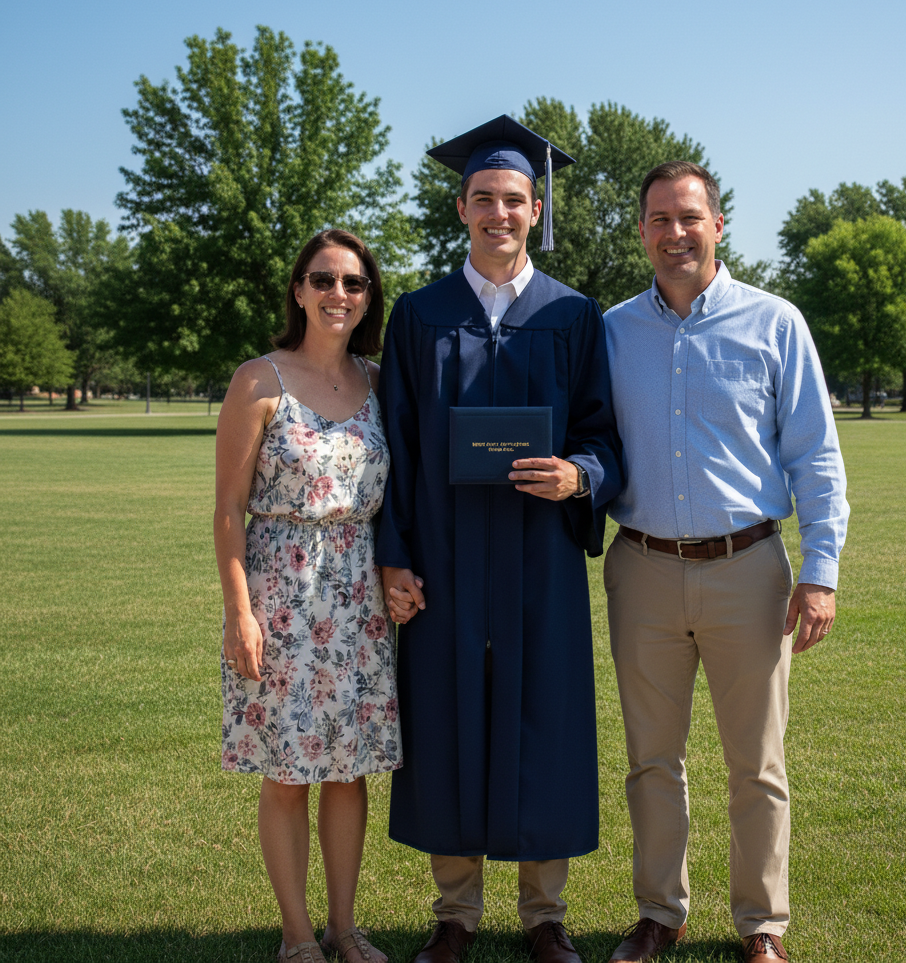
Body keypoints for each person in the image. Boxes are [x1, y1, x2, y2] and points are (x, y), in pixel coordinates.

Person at [376, 115, 623, 963]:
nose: (499, 213)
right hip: (444, 561)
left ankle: (544, 916)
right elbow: (396, 446)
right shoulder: (418, 315)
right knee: (447, 720)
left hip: (539, 564)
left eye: (514, 199)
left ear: (535, 207)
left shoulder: (573, 316)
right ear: (460, 209)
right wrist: (394, 554)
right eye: (483, 198)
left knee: (542, 721)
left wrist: (580, 477)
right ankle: (455, 914)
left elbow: (604, 436)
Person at [602, 162, 849, 963]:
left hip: (751, 568)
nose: (675, 233)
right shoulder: (608, 332)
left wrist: (821, 571)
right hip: (641, 567)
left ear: (718, 224)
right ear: (641, 231)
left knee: (758, 763)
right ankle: (658, 912)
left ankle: (761, 926)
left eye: (689, 217)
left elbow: (816, 456)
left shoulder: (775, 323)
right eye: (659, 220)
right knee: (650, 759)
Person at [215, 230, 402, 963]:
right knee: (289, 771)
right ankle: (297, 936)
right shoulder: (258, 380)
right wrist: (240, 613)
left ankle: (344, 928)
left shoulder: (380, 381)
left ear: (367, 298)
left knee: (348, 769)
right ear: (298, 290)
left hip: (358, 595)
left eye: (354, 284)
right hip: (281, 595)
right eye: (323, 280)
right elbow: (229, 508)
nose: (338, 294)